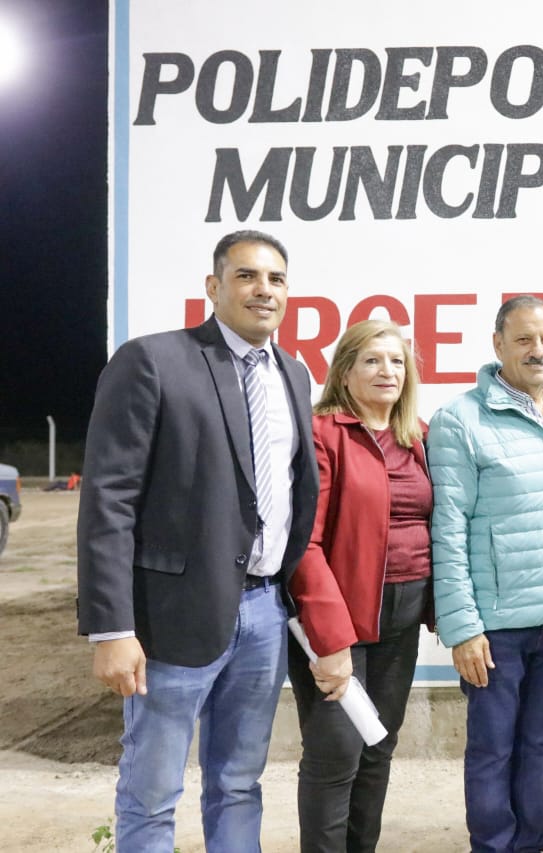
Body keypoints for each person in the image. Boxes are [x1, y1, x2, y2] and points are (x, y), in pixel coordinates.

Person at [76, 230, 319, 851]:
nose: (263, 289)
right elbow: (109, 499)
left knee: (239, 783)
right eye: (246, 276)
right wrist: (112, 628)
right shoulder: (153, 360)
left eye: (276, 279)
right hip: (170, 620)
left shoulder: (293, 373)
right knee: (152, 795)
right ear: (214, 287)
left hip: (264, 612)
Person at [427, 295, 543, 853]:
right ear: (497, 345)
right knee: (493, 749)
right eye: (523, 339)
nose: (537, 350)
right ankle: (493, 846)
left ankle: (531, 843)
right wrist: (463, 628)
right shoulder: (460, 420)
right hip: (495, 627)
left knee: (539, 744)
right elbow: (447, 531)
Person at [288, 319, 433, 851]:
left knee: (377, 748)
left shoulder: (418, 434)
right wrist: (331, 640)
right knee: (336, 757)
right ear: (346, 372)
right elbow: (304, 543)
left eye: (397, 361)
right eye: (372, 360)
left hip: (402, 621)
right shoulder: (323, 433)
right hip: (338, 625)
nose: (387, 371)